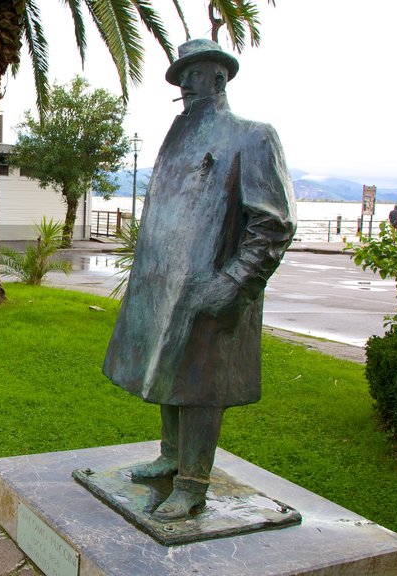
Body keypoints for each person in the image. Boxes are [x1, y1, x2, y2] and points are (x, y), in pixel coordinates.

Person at [102, 39, 296, 521]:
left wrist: (233, 284)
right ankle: (171, 455)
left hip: (213, 286)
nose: (185, 83)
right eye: (180, 75)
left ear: (220, 77)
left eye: (195, 72)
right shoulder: (177, 137)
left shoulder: (253, 136)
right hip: (161, 287)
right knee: (167, 372)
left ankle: (192, 482)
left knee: (201, 383)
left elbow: (273, 223)